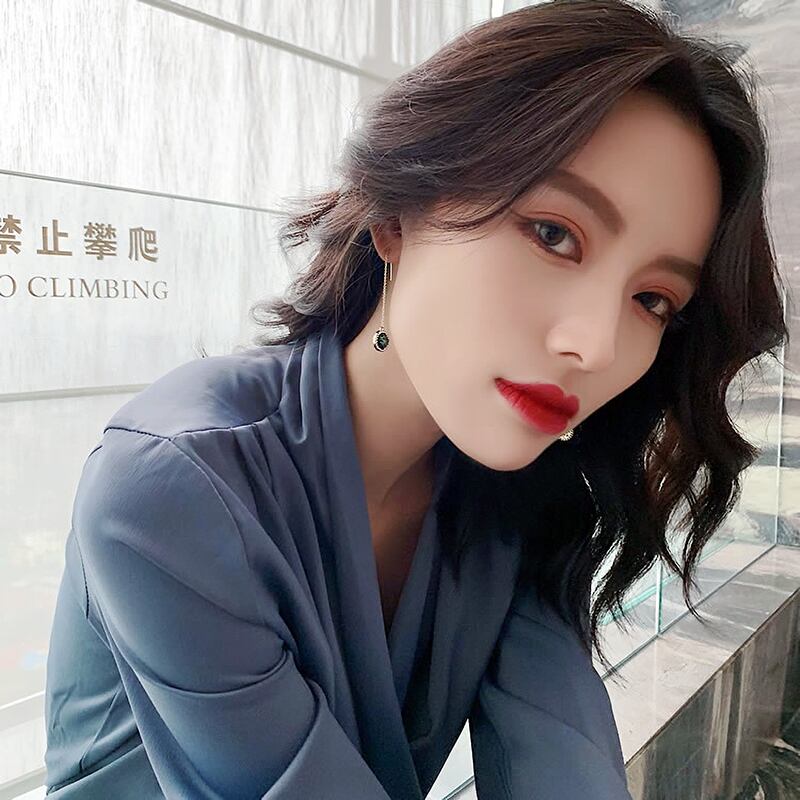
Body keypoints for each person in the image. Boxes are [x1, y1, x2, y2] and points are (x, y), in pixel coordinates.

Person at [43, 0, 789, 797]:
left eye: (652, 300)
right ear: (397, 216)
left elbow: (561, 761)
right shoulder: (174, 485)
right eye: (554, 234)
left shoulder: (515, 500)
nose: (597, 346)